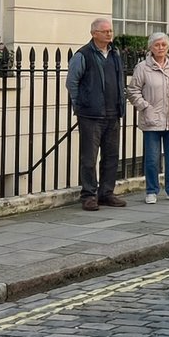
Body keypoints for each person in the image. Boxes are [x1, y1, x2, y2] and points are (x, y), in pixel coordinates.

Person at [66, 18, 127, 211]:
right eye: (105, 31)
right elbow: (72, 83)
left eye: (110, 31)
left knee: (111, 156)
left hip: (113, 114)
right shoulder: (82, 55)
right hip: (91, 116)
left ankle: (106, 193)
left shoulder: (115, 54)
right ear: (94, 34)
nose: (109, 34)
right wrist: (81, 105)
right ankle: (89, 195)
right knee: (89, 158)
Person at [126, 32, 169, 203]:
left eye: (163, 45)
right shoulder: (142, 67)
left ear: (168, 47)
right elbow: (132, 91)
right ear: (151, 47)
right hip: (151, 120)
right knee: (152, 159)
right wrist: (145, 107)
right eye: (157, 45)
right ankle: (151, 191)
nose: (160, 48)